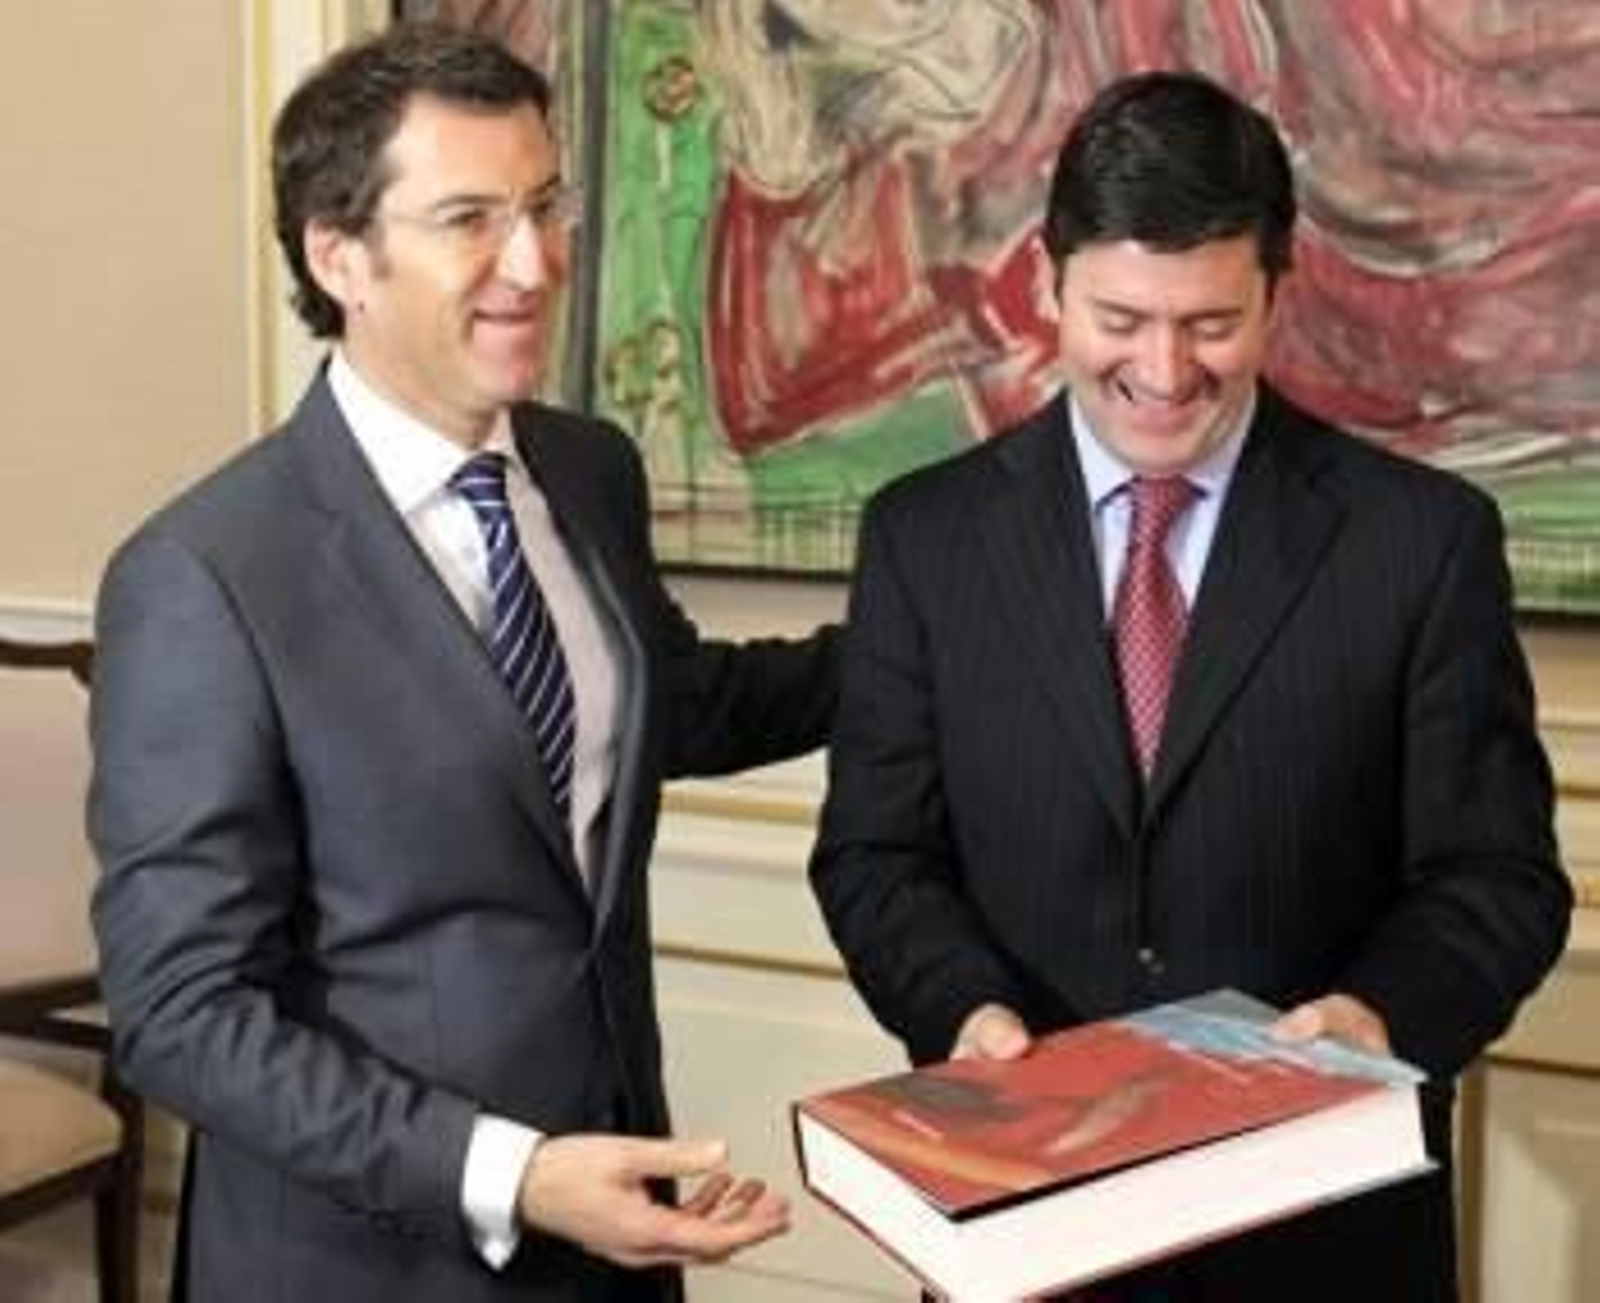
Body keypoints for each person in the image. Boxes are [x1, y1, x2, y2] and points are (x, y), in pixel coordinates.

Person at [88, 22, 836, 1303]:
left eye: (546, 205)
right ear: (342, 258)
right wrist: (513, 1174)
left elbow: (675, 705)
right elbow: (183, 1012)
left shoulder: (586, 468)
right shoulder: (203, 576)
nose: (535, 262)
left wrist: (940, 628)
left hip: (612, 1234)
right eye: (469, 219)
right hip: (359, 1263)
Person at [809, 70, 1571, 1301]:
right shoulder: (924, 539)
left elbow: (1496, 877)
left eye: (1210, 322)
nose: (1163, 370)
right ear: (1048, 285)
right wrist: (965, 1019)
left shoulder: (1420, 542)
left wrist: (1380, 1018)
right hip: (1025, 1226)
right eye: (1120, 316)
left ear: (1276, 293)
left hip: (1323, 1240)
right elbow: (875, 856)